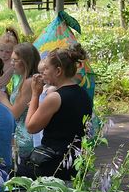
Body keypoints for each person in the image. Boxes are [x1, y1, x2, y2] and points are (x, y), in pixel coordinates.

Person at [18, 44, 93, 180]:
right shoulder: (83, 94)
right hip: (75, 162)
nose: (43, 72)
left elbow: (31, 127)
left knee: (7, 165)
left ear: (58, 71)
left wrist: (35, 94)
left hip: (53, 164)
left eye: (46, 68)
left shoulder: (55, 97)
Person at [0, 43, 40, 159]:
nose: (11, 63)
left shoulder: (29, 82)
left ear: (26, 62)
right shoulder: (22, 79)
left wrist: (2, 98)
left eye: (15, 60)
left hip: (24, 139)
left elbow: (14, 114)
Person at [32, 59, 57, 147]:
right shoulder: (44, 87)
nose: (42, 76)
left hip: (44, 118)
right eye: (40, 73)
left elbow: (48, 105)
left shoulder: (52, 89)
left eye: (43, 73)